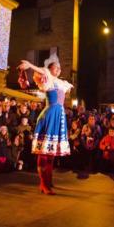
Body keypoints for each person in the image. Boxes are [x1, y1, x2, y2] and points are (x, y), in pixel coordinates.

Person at [18, 53, 73, 195]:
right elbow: (42, 70)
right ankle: (43, 184)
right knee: (44, 152)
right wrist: (29, 65)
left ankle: (48, 180)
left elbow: (67, 88)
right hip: (50, 115)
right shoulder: (48, 78)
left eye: (60, 68)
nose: (59, 70)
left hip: (58, 116)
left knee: (51, 152)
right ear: (50, 69)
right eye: (56, 68)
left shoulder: (60, 82)